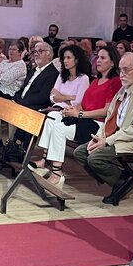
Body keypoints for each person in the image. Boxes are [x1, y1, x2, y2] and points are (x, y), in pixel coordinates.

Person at [73, 52, 133, 203]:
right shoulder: (124, 89)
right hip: (116, 136)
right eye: (120, 70)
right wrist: (100, 137)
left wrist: (107, 141)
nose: (121, 74)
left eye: (126, 70)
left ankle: (122, 182)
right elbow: (109, 117)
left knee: (95, 159)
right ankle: (121, 179)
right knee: (80, 152)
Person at [27, 46, 93, 187]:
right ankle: (44, 160)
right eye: (64, 58)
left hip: (72, 113)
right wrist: (66, 97)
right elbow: (51, 97)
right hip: (58, 110)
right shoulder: (62, 76)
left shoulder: (83, 79)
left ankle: (51, 166)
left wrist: (60, 97)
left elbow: (77, 102)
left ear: (77, 59)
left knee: (53, 117)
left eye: (68, 58)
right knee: (51, 117)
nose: (65, 61)